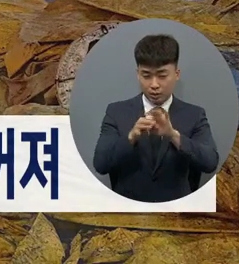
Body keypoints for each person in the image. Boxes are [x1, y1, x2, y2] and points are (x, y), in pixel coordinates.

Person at [92, 33, 220, 202]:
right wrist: (131, 137)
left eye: (162, 75)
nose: (154, 85)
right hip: (128, 209)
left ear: (177, 74)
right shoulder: (116, 111)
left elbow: (210, 162)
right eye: (146, 76)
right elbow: (100, 164)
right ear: (137, 74)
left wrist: (173, 136)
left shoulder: (195, 114)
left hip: (177, 211)